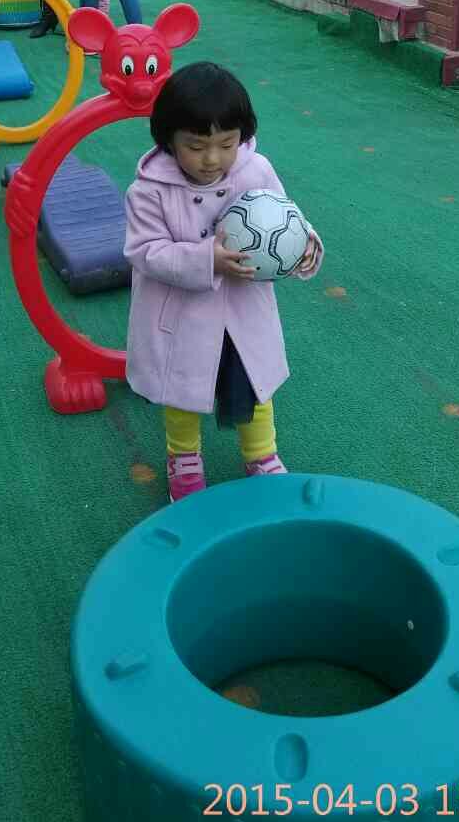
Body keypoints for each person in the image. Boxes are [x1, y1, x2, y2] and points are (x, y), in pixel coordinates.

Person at [123, 62, 323, 503]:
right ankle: (183, 457)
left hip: (243, 311)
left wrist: (304, 242)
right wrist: (204, 259)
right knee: (182, 388)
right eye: (195, 146)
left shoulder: (256, 171)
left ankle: (261, 454)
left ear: (242, 137)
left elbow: (283, 217)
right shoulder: (148, 190)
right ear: (168, 139)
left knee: (254, 380)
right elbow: (144, 251)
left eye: (226, 144)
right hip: (182, 316)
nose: (212, 159)